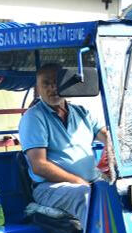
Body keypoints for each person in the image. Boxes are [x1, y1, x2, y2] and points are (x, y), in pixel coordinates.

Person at [19, 63, 109, 221]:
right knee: (87, 196)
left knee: (126, 192)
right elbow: (39, 165)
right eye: (46, 83)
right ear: (38, 88)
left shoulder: (81, 112)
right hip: (50, 188)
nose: (52, 88)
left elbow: (106, 135)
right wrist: (78, 181)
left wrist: (114, 146)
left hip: (91, 181)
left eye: (57, 82)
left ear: (66, 84)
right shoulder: (34, 117)